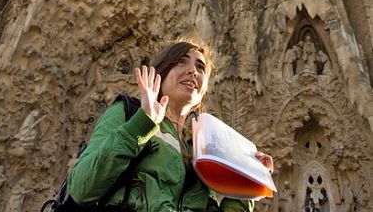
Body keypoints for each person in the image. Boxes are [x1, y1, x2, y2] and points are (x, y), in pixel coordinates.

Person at [67, 40, 274, 211]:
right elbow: (81, 188)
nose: (193, 71)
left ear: (203, 92)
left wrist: (249, 181)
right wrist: (143, 124)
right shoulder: (129, 113)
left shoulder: (202, 146)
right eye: (181, 62)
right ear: (161, 72)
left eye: (200, 68)